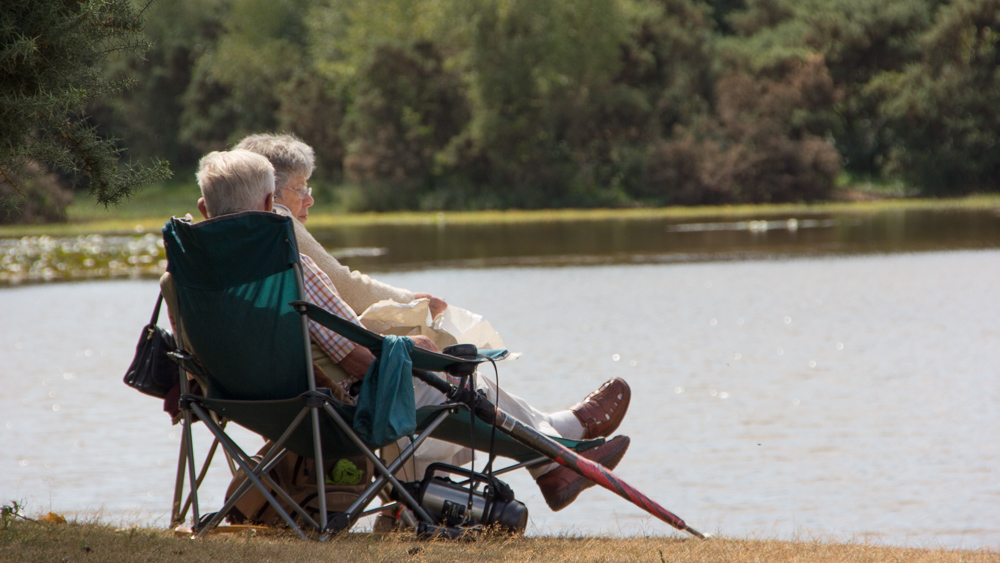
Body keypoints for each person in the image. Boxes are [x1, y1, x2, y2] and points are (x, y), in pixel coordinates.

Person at [195, 149, 632, 511]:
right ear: (273, 206)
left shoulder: (182, 277)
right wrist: (407, 348)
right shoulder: (289, 267)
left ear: (202, 208)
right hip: (330, 412)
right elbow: (357, 357)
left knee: (439, 374)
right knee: (452, 379)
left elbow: (192, 359)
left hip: (245, 407)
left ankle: (553, 454)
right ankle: (555, 452)